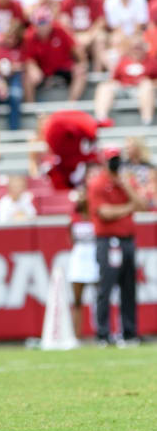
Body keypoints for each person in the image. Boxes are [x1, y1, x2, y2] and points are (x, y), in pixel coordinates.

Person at [87, 147, 147, 346]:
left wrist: (126, 187)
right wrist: (129, 208)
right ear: (105, 162)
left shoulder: (126, 182)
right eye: (112, 159)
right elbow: (105, 213)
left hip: (127, 240)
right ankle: (103, 333)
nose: (115, 163)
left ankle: (129, 332)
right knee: (106, 287)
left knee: (129, 287)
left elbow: (143, 204)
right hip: (107, 241)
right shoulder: (98, 184)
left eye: (117, 159)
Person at [22, 7, 87, 103]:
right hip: (43, 70)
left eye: (45, 23)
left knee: (81, 72)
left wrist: (82, 63)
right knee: (27, 77)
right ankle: (32, 108)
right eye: (39, 24)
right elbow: (28, 59)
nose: (42, 27)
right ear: (34, 25)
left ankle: (71, 104)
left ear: (50, 22)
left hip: (64, 68)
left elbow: (76, 48)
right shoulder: (29, 36)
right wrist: (33, 68)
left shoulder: (60, 30)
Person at [93, 37, 155, 125]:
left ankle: (147, 121)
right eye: (134, 47)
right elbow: (114, 78)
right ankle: (101, 118)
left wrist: (147, 82)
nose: (136, 50)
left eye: (139, 47)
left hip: (142, 91)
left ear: (144, 48)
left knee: (147, 85)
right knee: (104, 87)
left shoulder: (151, 61)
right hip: (123, 88)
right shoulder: (123, 60)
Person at [67, 190, 98, 339]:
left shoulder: (95, 216)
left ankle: (101, 331)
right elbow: (71, 239)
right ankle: (75, 334)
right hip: (79, 258)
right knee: (77, 300)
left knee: (99, 297)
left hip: (95, 256)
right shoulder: (74, 218)